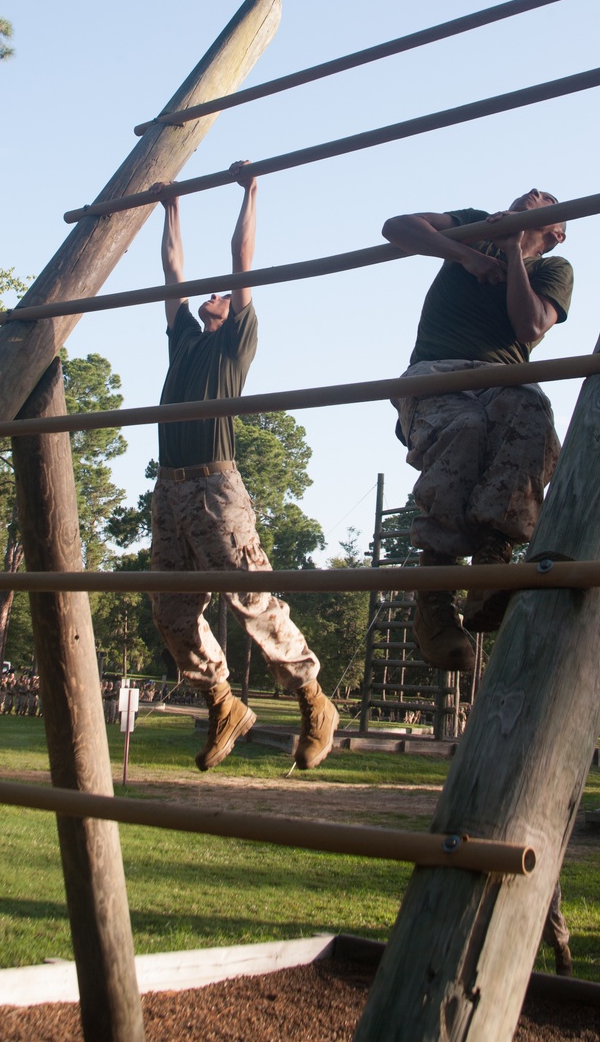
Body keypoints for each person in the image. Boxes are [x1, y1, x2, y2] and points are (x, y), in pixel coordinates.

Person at [149, 162, 338, 772]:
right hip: (169, 491)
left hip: (213, 486)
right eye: (216, 296)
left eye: (225, 297)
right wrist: (171, 208)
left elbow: (242, 259)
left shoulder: (235, 342)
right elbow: (173, 271)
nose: (217, 294)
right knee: (170, 610)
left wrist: (251, 190)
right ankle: (223, 702)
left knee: (248, 597)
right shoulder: (184, 338)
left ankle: (312, 699)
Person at [383, 189, 572, 671]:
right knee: (463, 427)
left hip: (502, 381)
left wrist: (512, 253)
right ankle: (435, 594)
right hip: (436, 372)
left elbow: (530, 328)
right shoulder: (473, 224)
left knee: (531, 411)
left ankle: (493, 558)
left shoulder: (554, 269)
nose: (533, 191)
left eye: (546, 200)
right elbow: (397, 226)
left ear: (556, 232)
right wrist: (467, 253)